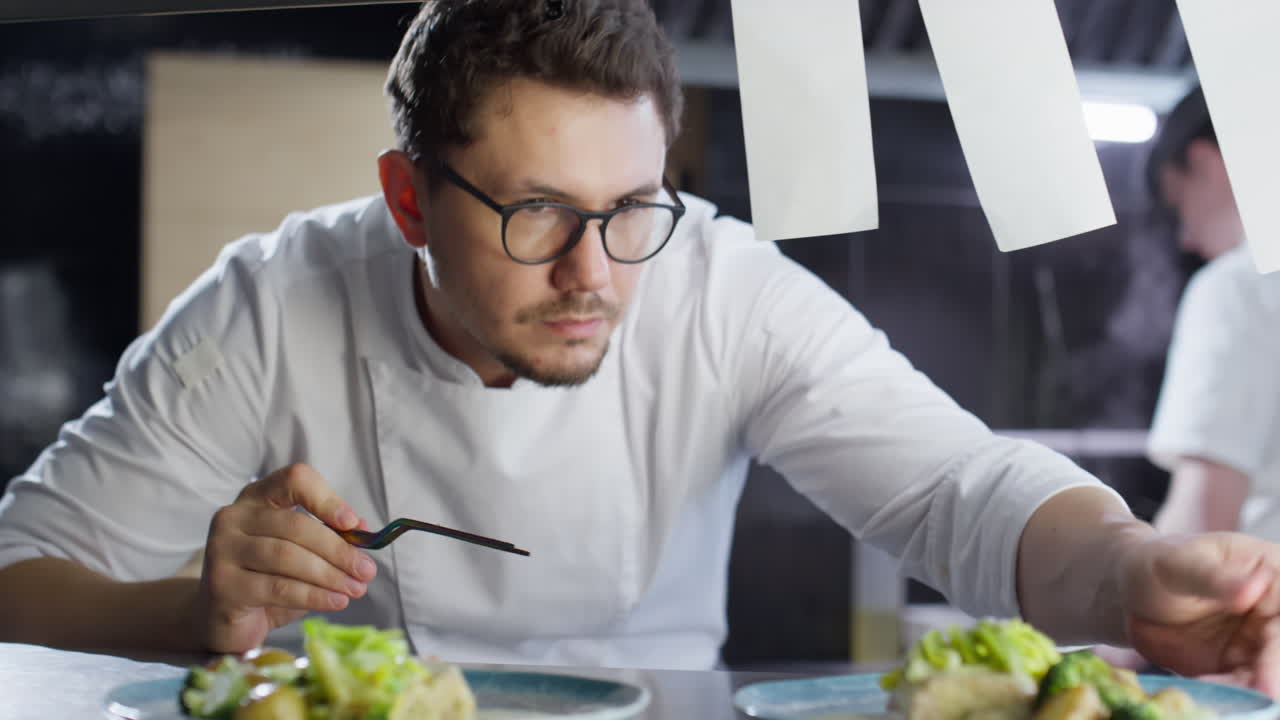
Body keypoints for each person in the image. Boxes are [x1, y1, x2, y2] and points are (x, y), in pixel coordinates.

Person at [1, 0, 1280, 690]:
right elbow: (15, 576)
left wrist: (1130, 572)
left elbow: (957, 490)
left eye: (628, 211)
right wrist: (195, 612)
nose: (591, 274)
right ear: (407, 202)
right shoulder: (273, 304)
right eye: (535, 213)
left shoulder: (719, 281)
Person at [1145, 88, 1280, 547]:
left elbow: (1201, 528)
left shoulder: (1237, 287)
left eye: (1179, 203)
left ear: (1205, 162)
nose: (1186, 238)